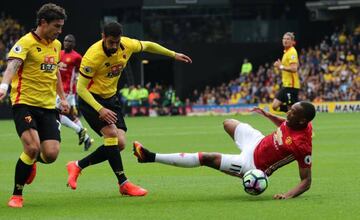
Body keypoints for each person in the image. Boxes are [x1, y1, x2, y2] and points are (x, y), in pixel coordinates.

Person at [66, 21, 192, 196]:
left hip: (111, 99)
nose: (115, 46)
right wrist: (100, 109)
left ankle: (77, 165)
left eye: (117, 42)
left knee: (120, 144)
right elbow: (80, 89)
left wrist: (173, 54)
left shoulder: (127, 44)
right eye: (111, 42)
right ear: (103, 37)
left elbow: (148, 45)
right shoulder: (92, 56)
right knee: (111, 134)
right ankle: (123, 183)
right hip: (91, 100)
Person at [133, 101, 315, 199]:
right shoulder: (296, 122)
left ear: (301, 121)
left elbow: (306, 181)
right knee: (228, 123)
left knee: (206, 157)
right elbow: (285, 124)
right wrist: (268, 115)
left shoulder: (302, 145)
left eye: (292, 112)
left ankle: (150, 157)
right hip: (256, 142)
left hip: (253, 165)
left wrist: (287, 195)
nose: (287, 114)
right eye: (289, 110)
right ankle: (233, 158)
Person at [0, 3, 68, 208]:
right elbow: (12, 65)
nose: (60, 31)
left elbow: (55, 71)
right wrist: (3, 85)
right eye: (56, 26)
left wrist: (62, 97)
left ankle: (31, 162)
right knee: (31, 147)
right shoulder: (25, 42)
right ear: (43, 23)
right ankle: (16, 195)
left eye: (61, 26)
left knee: (51, 154)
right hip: (25, 103)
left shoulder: (56, 45)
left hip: (47, 106)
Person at [57, 34, 93, 151]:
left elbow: (83, 71)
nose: (67, 43)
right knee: (72, 115)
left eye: (70, 41)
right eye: (65, 41)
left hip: (67, 90)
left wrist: (78, 81)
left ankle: (80, 131)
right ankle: (87, 139)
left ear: (74, 44)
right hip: (57, 88)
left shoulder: (77, 57)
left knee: (57, 114)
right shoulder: (59, 53)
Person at [272, 32, 300, 112]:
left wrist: (280, 66)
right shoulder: (286, 52)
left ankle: (298, 113)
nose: (285, 40)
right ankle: (296, 110)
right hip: (286, 85)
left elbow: (294, 69)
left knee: (292, 110)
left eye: (288, 39)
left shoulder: (292, 52)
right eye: (284, 38)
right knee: (275, 106)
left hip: (291, 86)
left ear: (292, 41)